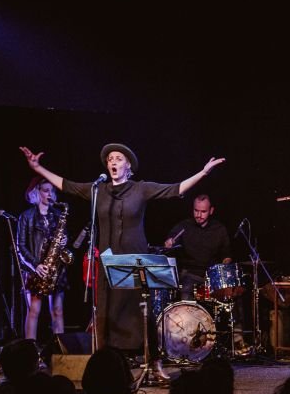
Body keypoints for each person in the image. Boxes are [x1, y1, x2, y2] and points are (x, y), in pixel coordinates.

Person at [19, 142, 224, 381]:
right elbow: (66, 184)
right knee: (107, 315)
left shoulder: (141, 188)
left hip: (135, 260)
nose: (112, 162)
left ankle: (154, 363)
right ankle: (109, 367)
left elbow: (174, 189)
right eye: (109, 159)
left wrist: (203, 172)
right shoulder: (98, 190)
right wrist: (38, 168)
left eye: (118, 158)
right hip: (108, 262)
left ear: (128, 165)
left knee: (142, 313)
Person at [16, 177, 68, 340]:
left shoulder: (58, 215)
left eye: (52, 191)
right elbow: (21, 246)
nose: (49, 194)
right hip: (35, 269)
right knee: (34, 311)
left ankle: (60, 349)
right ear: (36, 192)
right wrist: (36, 265)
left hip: (55, 269)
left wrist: (64, 241)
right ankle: (30, 348)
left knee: (58, 311)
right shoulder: (26, 216)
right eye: (45, 190)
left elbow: (62, 238)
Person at [163, 194, 233, 301]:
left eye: (203, 211)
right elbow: (169, 242)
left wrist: (224, 269)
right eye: (196, 210)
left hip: (212, 276)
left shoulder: (219, 229)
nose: (199, 215)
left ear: (211, 211)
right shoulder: (184, 226)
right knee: (187, 289)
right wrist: (169, 243)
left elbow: (226, 255)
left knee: (231, 295)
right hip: (189, 274)